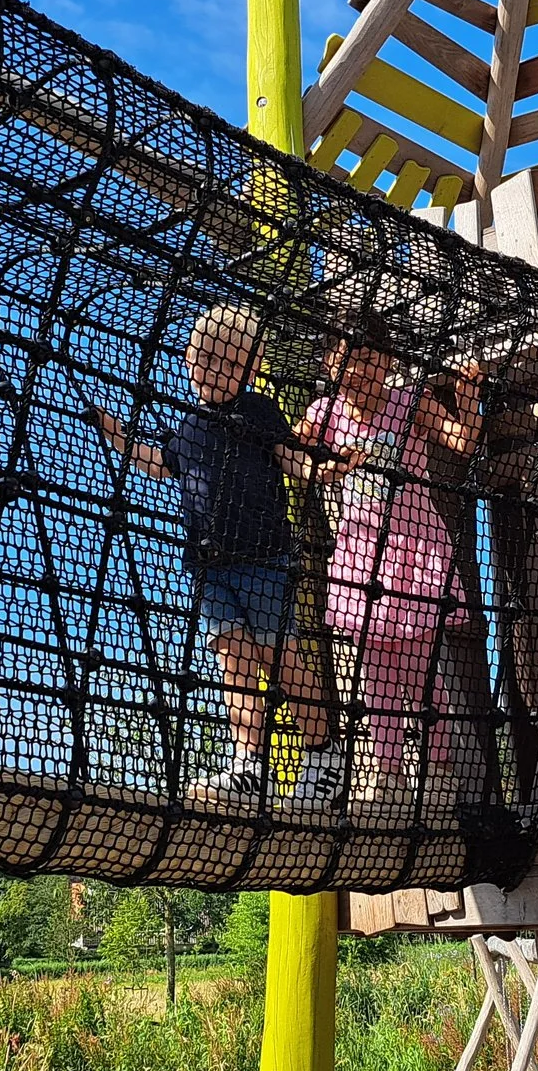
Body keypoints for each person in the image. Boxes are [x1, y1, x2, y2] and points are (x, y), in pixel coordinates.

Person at [97, 304, 360, 810]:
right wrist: (117, 434)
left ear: (250, 366)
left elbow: (292, 460)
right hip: (209, 564)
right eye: (200, 360)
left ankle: (325, 758)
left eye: (223, 362)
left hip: (262, 556)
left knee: (280, 658)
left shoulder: (256, 411)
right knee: (233, 659)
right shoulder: (190, 424)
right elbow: (157, 464)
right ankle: (247, 768)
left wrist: (320, 474)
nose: (208, 371)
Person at [299, 315, 487, 822]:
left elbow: (461, 440)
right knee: (374, 678)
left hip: (416, 550)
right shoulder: (325, 413)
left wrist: (467, 392)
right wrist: (323, 468)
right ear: (329, 366)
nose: (358, 374)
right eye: (346, 362)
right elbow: (291, 455)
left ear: (386, 362)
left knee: (423, 675)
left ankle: (439, 775)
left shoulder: (409, 402)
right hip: (362, 558)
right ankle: (386, 777)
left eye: (367, 360)